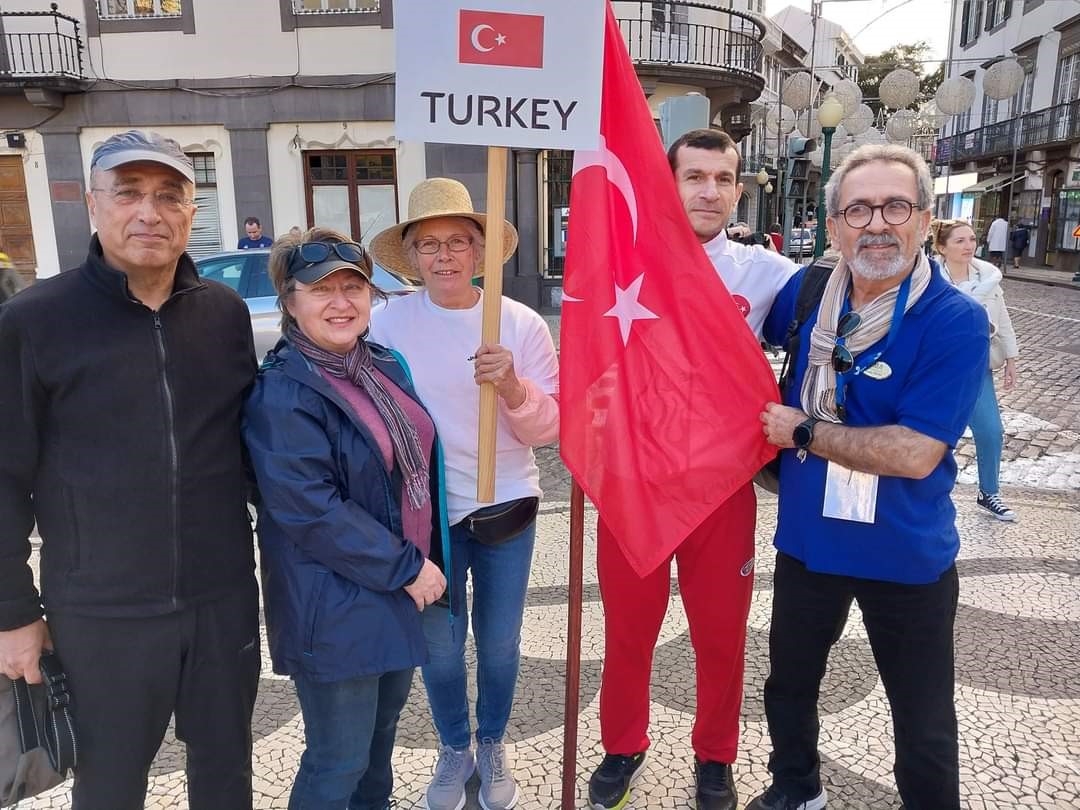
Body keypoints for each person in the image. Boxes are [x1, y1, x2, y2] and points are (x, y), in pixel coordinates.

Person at [0, 130, 260, 809]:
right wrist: (13, 613)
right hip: (100, 612)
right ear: (93, 204)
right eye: (129, 193)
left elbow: (253, 450)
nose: (150, 212)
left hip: (221, 601)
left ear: (191, 212)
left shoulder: (225, 315)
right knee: (111, 787)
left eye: (169, 195)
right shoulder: (32, 321)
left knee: (227, 777)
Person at [751, 144, 988, 810]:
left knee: (924, 720)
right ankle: (796, 788)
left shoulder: (954, 321)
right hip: (809, 542)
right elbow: (720, 328)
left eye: (895, 206)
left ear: (924, 220)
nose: (877, 223)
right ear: (834, 226)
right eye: (859, 208)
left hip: (906, 553)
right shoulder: (803, 297)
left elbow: (915, 452)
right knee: (789, 685)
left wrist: (803, 431)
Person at [586, 128, 799, 810]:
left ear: (739, 187)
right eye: (695, 176)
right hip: (634, 486)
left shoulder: (769, 274)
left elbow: (836, 324)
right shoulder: (622, 262)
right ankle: (623, 744)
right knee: (626, 632)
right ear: (669, 183)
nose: (710, 190)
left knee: (719, 635)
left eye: (724, 177)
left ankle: (716, 757)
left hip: (721, 488)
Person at [368, 178, 559, 810]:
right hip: (427, 517)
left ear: (480, 253)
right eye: (428, 245)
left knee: (500, 640)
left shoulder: (519, 321)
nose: (444, 256)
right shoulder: (387, 324)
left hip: (506, 502)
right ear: (412, 256)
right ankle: (455, 747)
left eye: (458, 242)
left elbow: (549, 428)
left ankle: (494, 739)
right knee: (441, 647)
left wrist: (511, 388)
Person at [243, 227, 448, 809]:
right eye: (320, 290)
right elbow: (309, 508)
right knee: (338, 760)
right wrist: (409, 567)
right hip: (333, 601)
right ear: (289, 302)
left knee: (377, 749)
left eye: (353, 286)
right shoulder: (283, 391)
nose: (341, 302)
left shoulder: (379, 365)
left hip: (391, 592)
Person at [933, 218, 1019, 521]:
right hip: (939, 369)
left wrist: (1011, 357)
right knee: (933, 431)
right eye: (960, 241)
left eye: (971, 239)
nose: (969, 245)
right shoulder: (930, 281)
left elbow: (1003, 319)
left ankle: (989, 492)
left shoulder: (990, 279)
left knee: (991, 430)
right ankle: (926, 489)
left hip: (978, 366)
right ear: (942, 247)